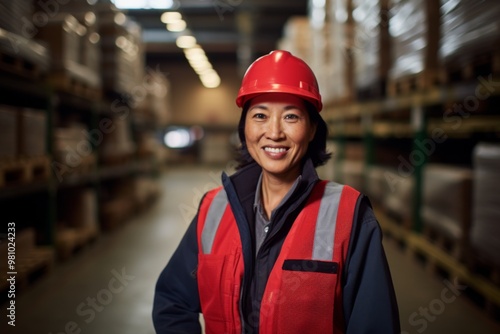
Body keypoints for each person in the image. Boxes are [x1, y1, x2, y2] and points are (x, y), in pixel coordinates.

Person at [153, 50, 400, 333]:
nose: (274, 132)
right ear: (243, 127)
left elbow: (375, 325)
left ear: (311, 130)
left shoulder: (349, 216)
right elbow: (172, 300)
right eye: (260, 115)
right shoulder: (214, 208)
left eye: (291, 117)